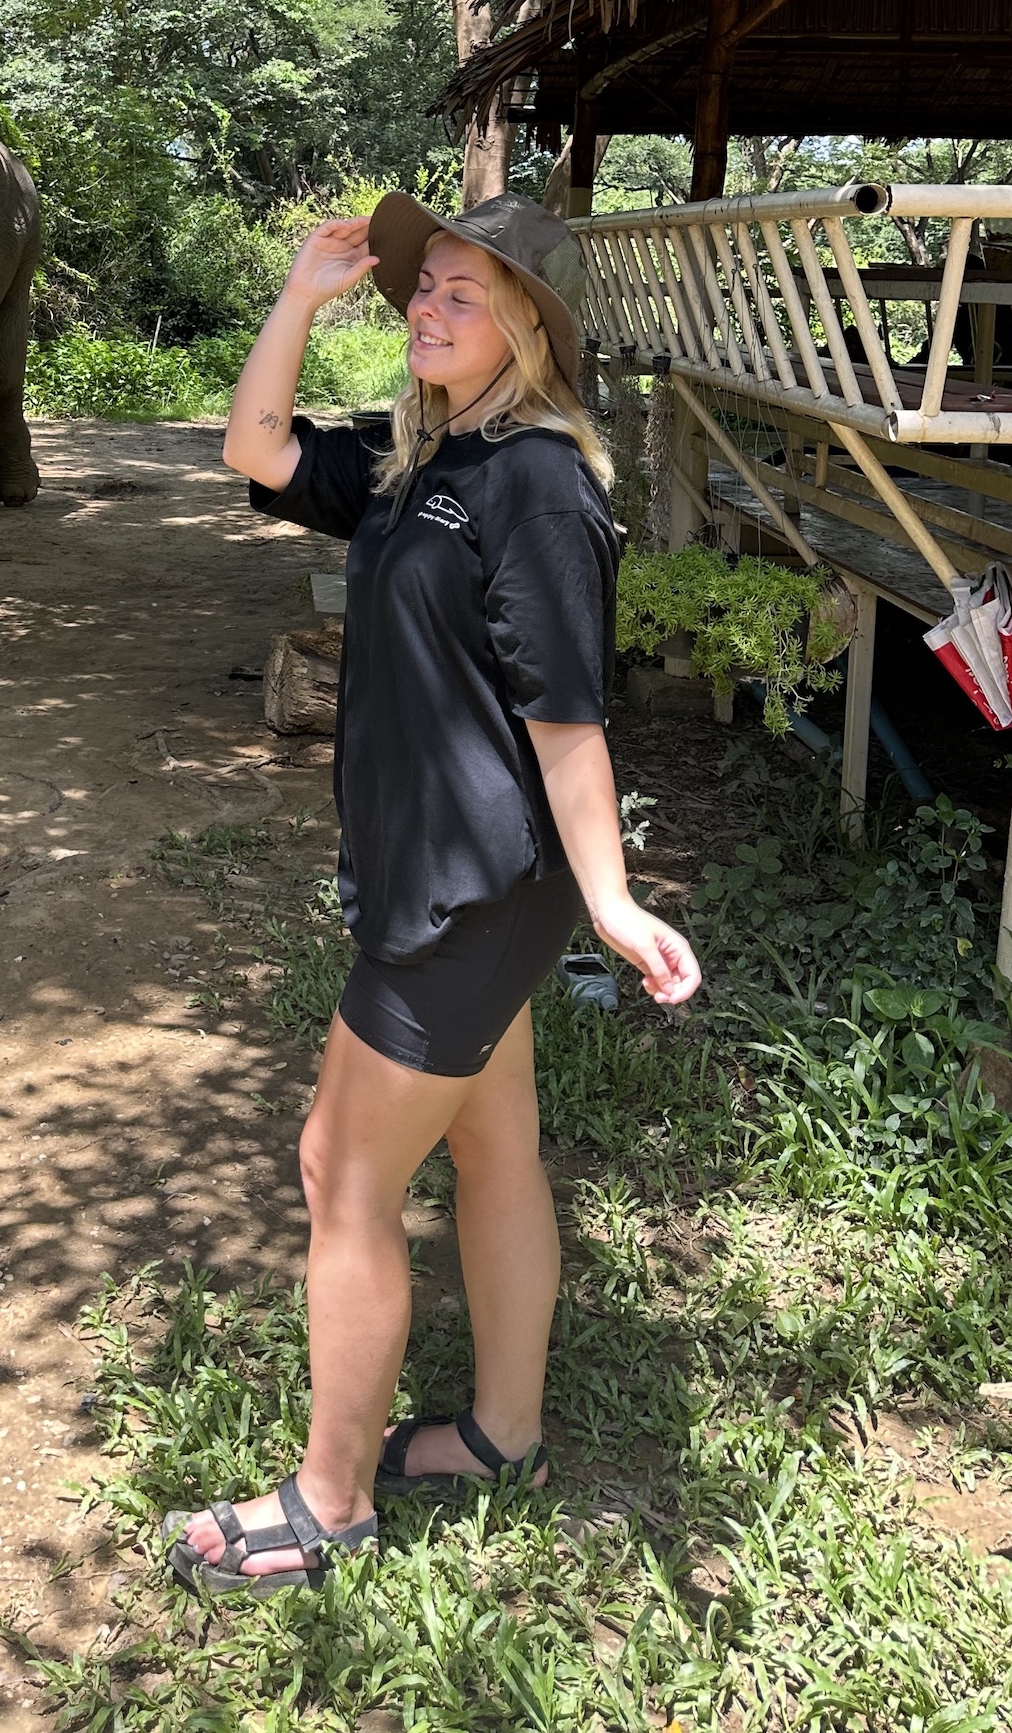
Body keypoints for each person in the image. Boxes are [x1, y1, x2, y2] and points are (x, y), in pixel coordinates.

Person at [163, 191, 701, 1597]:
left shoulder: (537, 480)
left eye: (469, 291)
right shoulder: (425, 460)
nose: (432, 306)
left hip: (470, 893)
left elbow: (568, 716)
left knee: (340, 1171)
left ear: (531, 325)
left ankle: (328, 1501)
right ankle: (504, 1434)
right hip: (448, 879)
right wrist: (299, 296)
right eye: (426, 285)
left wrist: (612, 900)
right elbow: (253, 448)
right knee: (492, 1149)